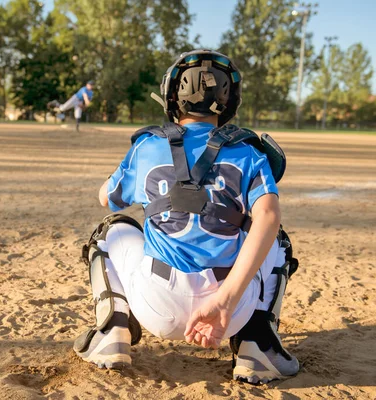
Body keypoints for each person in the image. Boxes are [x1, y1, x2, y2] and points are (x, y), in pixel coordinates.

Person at [73, 49, 300, 384]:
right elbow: (268, 216)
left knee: (111, 230)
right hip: (231, 308)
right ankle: (257, 347)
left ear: (171, 96)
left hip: (157, 305)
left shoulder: (146, 145)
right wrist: (224, 302)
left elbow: (108, 198)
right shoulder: (250, 152)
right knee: (274, 236)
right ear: (229, 100)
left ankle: (111, 334)